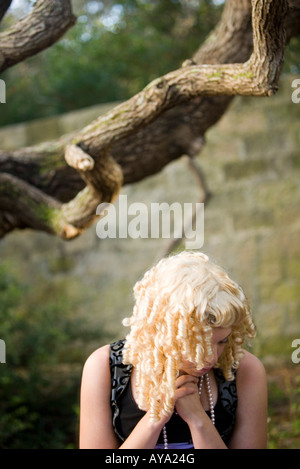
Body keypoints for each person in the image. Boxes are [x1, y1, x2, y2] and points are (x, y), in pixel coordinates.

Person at [79, 251, 268, 449]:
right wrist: (154, 419)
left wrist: (198, 420)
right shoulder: (104, 367)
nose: (211, 357)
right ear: (162, 332)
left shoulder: (246, 370)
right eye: (196, 345)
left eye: (222, 341)